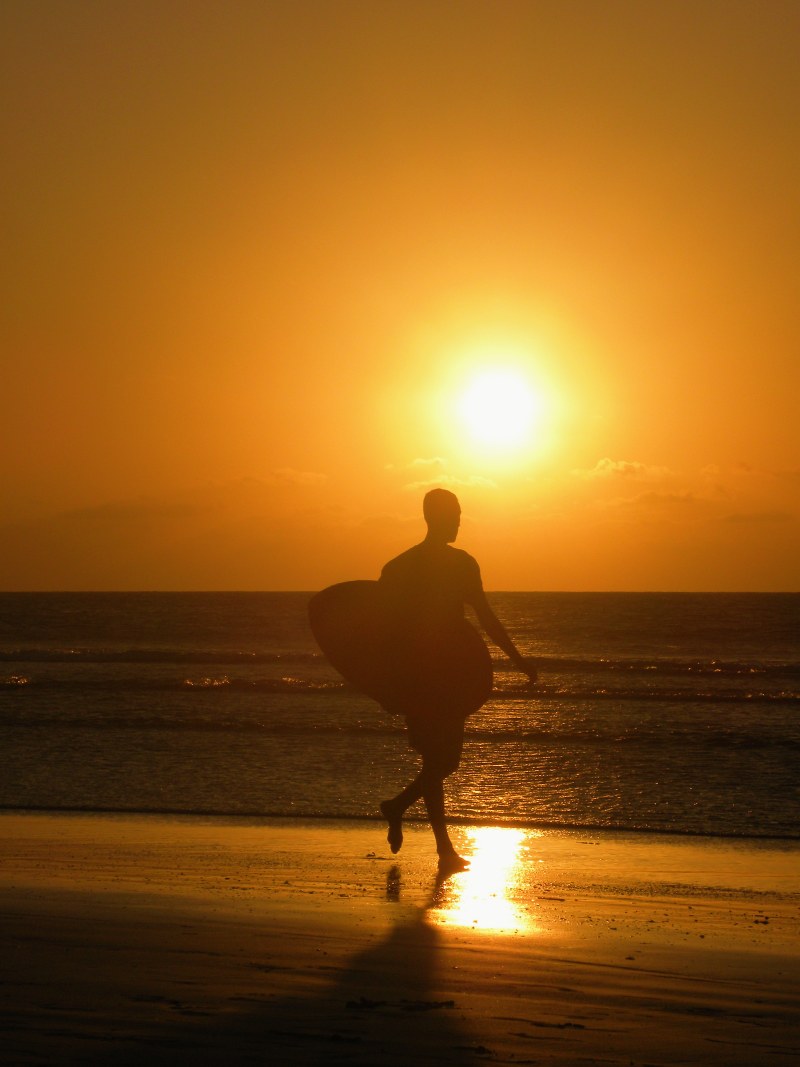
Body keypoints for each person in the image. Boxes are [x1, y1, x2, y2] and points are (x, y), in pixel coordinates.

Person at [378, 488, 537, 873]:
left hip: (448, 671)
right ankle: (444, 849)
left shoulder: (422, 565)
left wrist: (517, 658)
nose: (460, 520)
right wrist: (388, 683)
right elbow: (381, 630)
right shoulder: (405, 567)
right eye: (456, 514)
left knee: (446, 761)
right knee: (439, 758)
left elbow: (485, 617)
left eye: (461, 514)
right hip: (424, 673)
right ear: (436, 517)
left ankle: (398, 807)